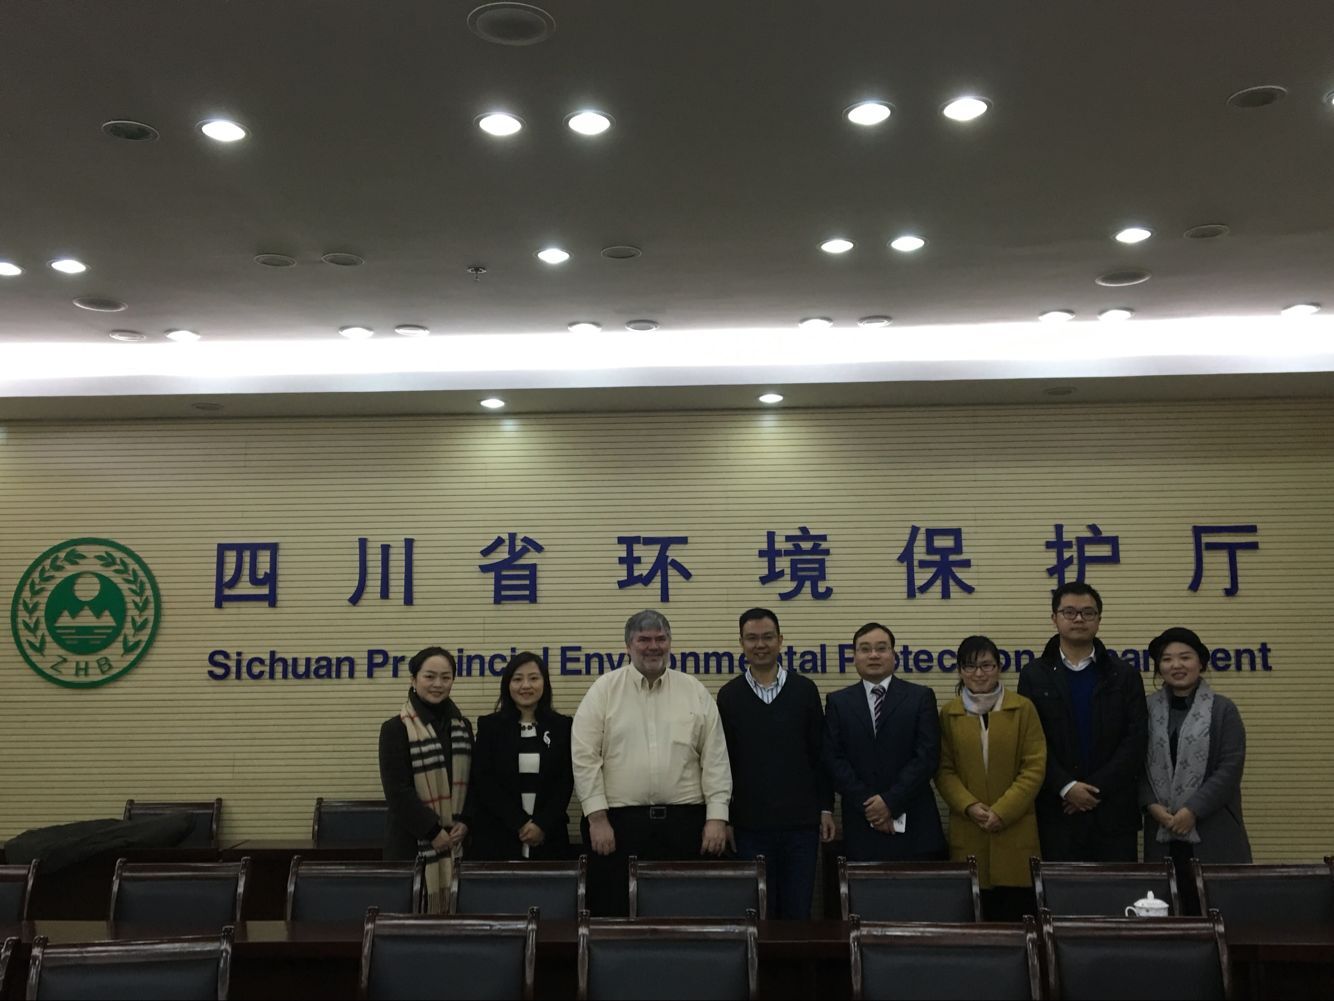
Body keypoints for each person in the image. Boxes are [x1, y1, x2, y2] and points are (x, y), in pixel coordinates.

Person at [571, 609, 732, 915]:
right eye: (644, 639)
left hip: (686, 826)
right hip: (618, 827)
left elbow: (715, 759)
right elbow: (584, 757)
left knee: (684, 913)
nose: (653, 646)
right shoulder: (604, 690)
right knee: (616, 915)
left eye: (660, 639)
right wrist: (597, 818)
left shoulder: (694, 691)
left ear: (670, 642)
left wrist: (716, 818)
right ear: (628, 645)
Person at [717, 608, 835, 919]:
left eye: (767, 637)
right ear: (741, 643)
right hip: (749, 828)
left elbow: (820, 755)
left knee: (798, 912)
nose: (760, 645)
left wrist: (826, 808)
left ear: (780, 640)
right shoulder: (729, 696)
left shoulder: (805, 690)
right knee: (756, 913)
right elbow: (723, 763)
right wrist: (725, 818)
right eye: (752, 638)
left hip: (801, 827)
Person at [1017, 582, 1147, 862]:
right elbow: (1030, 741)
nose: (1078, 619)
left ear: (1099, 619)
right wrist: (1066, 787)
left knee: (1120, 888)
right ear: (1054, 618)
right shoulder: (1033, 675)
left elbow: (1135, 740)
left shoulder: (1124, 675)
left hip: (1113, 812)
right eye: (1069, 612)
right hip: (1057, 812)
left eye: (1088, 613)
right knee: (1060, 889)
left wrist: (1093, 790)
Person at [935, 635, 1046, 921]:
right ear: (960, 671)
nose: (979, 673)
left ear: (998, 667)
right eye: (970, 666)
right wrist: (970, 806)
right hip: (969, 829)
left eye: (986, 665)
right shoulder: (949, 714)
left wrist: (1002, 811)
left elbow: (1034, 767)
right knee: (973, 922)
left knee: (1018, 921)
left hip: (1015, 830)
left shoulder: (1023, 708)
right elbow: (943, 770)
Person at [1142, 627, 1252, 915]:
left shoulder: (1223, 710)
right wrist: (1151, 805)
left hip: (1212, 829)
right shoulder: (1146, 709)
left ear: (1201, 662)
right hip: (1161, 830)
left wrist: (1192, 810)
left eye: (1185, 657)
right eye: (1167, 659)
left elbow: (1230, 767)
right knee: (1166, 913)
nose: (1176, 665)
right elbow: (1135, 765)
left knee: (1219, 913)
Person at [823, 622, 946, 861]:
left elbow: (927, 756)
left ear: (894, 654)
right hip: (862, 824)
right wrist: (870, 806)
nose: (874, 655)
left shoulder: (920, 697)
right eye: (865, 649)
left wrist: (890, 802)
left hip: (915, 826)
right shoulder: (838, 702)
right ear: (854, 656)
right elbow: (833, 759)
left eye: (881, 648)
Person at [378, 645, 473, 911]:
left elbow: (472, 782)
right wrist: (432, 831)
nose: (438, 684)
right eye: (429, 676)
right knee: (410, 918)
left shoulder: (462, 727)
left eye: (446, 677)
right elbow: (397, 792)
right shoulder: (395, 728)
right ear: (413, 679)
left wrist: (466, 821)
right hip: (410, 845)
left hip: (456, 842)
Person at [466, 651, 574, 861]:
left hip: (549, 836)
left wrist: (541, 824)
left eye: (533, 678)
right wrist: (520, 823)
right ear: (507, 684)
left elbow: (565, 781)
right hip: (498, 835)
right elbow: (484, 781)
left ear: (545, 683)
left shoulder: (562, 726)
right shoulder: (490, 726)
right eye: (517, 679)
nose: (526, 685)